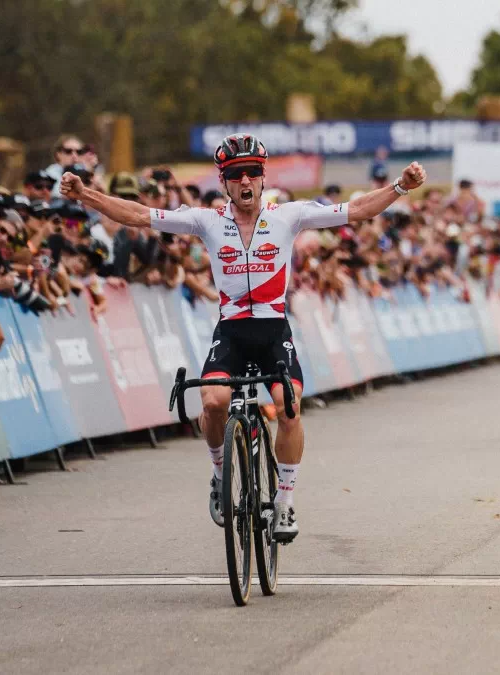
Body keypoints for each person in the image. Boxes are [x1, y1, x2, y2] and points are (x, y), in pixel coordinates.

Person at [60, 133, 427, 542]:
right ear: (224, 181)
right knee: (213, 401)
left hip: (273, 330)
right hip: (231, 332)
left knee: (289, 409)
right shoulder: (206, 221)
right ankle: (220, 475)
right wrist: (87, 196)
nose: (245, 181)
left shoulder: (289, 215)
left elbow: (356, 210)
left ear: (263, 177)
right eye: (236, 175)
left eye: (253, 172)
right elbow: (139, 215)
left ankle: (284, 503)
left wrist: (400, 188)